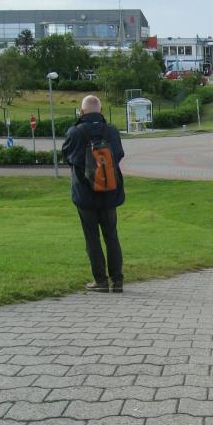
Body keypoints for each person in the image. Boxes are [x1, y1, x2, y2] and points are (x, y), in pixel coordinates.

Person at [61, 95, 125, 293]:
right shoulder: (112, 131)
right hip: (109, 192)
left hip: (85, 194)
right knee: (111, 235)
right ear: (101, 110)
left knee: (92, 238)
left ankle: (100, 281)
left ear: (82, 112)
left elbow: (68, 157)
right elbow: (119, 155)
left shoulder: (75, 132)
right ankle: (117, 280)